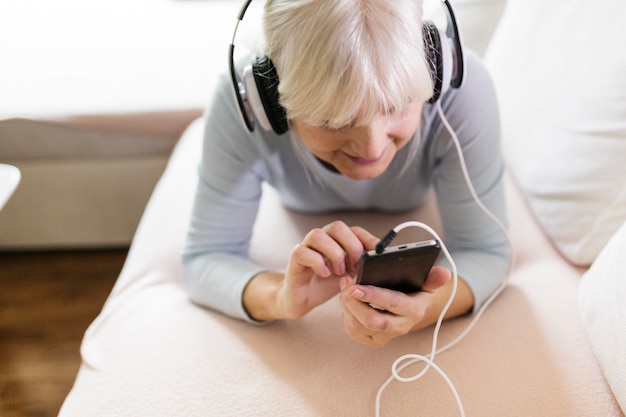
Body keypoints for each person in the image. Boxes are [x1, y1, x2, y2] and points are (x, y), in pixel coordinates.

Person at [182, 0, 511, 348]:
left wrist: (424, 309)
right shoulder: (241, 106)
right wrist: (279, 296)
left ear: (432, 65)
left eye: (396, 106)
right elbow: (204, 258)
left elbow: (487, 251)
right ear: (273, 102)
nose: (372, 150)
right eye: (334, 120)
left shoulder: (464, 90)